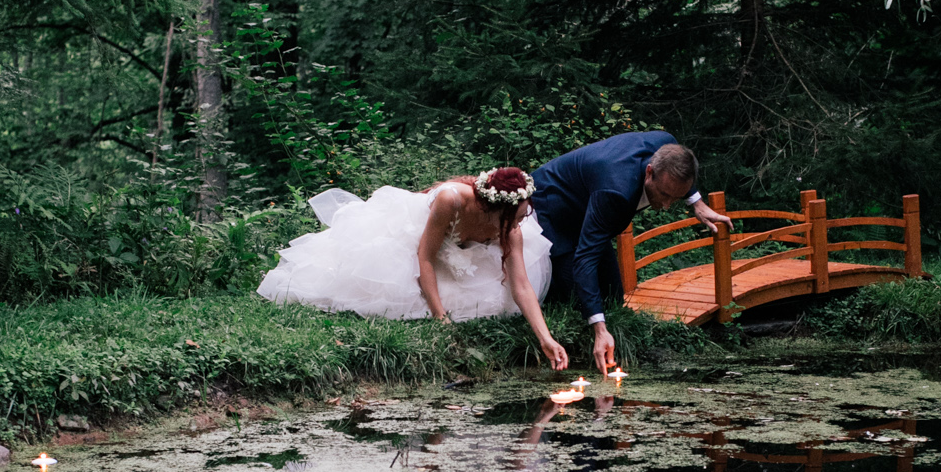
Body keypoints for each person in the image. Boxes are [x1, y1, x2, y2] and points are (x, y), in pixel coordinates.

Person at [256, 167, 569, 370]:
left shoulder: (510, 226)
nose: (520, 224)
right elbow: (425, 259)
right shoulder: (453, 200)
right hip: (418, 243)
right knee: (388, 286)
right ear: (492, 208)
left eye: (523, 217)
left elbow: (522, 285)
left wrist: (545, 338)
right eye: (515, 218)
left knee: (492, 299)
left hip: (465, 255)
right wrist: (441, 318)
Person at [531, 132, 732, 373]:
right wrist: (599, 329)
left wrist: (696, 202)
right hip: (553, 208)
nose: (667, 206)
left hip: (591, 208)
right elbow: (585, 259)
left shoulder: (665, 145)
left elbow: (681, 171)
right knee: (572, 293)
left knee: (614, 296)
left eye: (675, 199)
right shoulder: (617, 192)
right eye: (665, 195)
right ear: (649, 172)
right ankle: (567, 346)